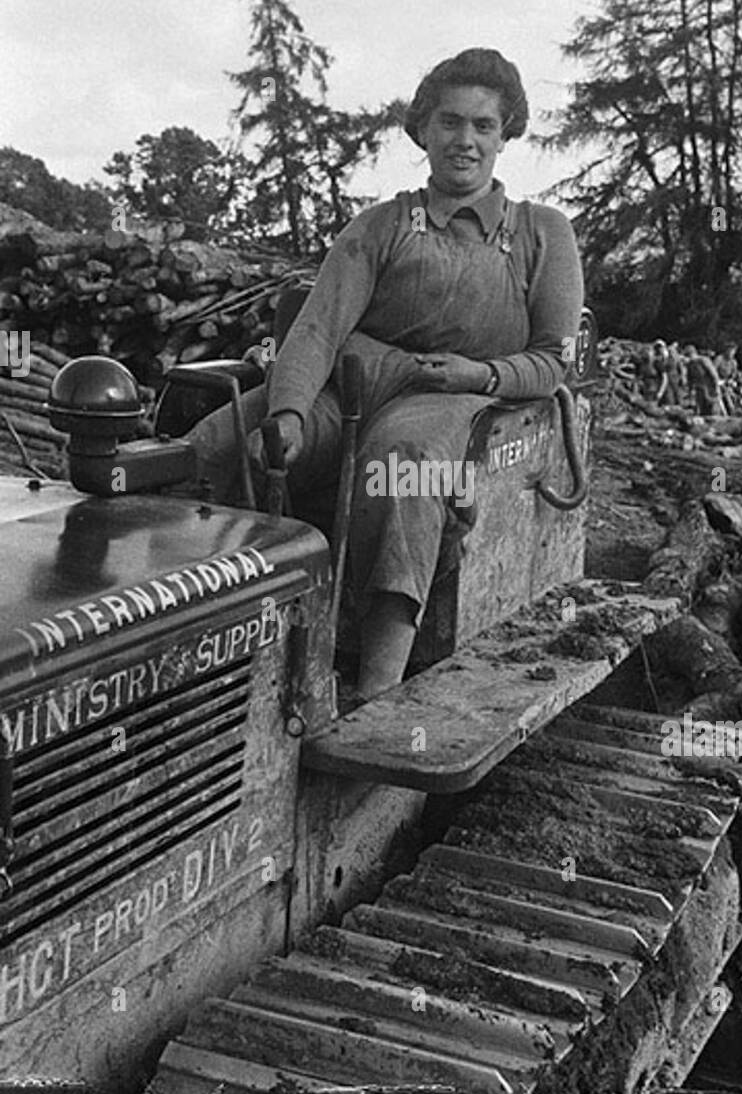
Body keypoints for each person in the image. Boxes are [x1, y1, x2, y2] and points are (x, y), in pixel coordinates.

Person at [187, 48, 584, 700]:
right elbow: (316, 328)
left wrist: (477, 375)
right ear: (422, 130)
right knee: (217, 441)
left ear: (505, 135)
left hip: (448, 395)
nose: (465, 140)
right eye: (450, 122)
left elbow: (552, 359)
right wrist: (286, 412)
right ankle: (215, 659)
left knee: (401, 461)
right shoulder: (380, 226)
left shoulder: (543, 233)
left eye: (484, 126)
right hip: (347, 386)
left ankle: (374, 692)